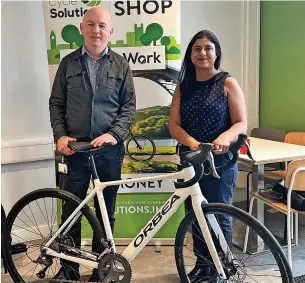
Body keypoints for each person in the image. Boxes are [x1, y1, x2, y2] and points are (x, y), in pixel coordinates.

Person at [49, 6, 136, 281]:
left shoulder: (121, 65)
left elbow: (129, 109)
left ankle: (103, 271)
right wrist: (60, 135)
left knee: (105, 214)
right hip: (74, 151)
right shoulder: (68, 64)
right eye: (91, 24)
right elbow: (56, 104)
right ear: (82, 28)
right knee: (71, 212)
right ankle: (69, 271)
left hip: (108, 152)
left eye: (102, 25)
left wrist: (115, 134)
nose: (96, 30)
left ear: (110, 31)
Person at [169, 30, 247, 282]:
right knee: (195, 216)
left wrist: (225, 137)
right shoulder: (183, 87)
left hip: (220, 162)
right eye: (197, 48)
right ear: (190, 55)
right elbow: (174, 125)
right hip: (191, 161)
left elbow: (240, 123)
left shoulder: (227, 83)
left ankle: (219, 269)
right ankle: (202, 267)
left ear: (216, 53)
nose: (202, 53)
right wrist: (192, 144)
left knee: (218, 216)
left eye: (208, 48)